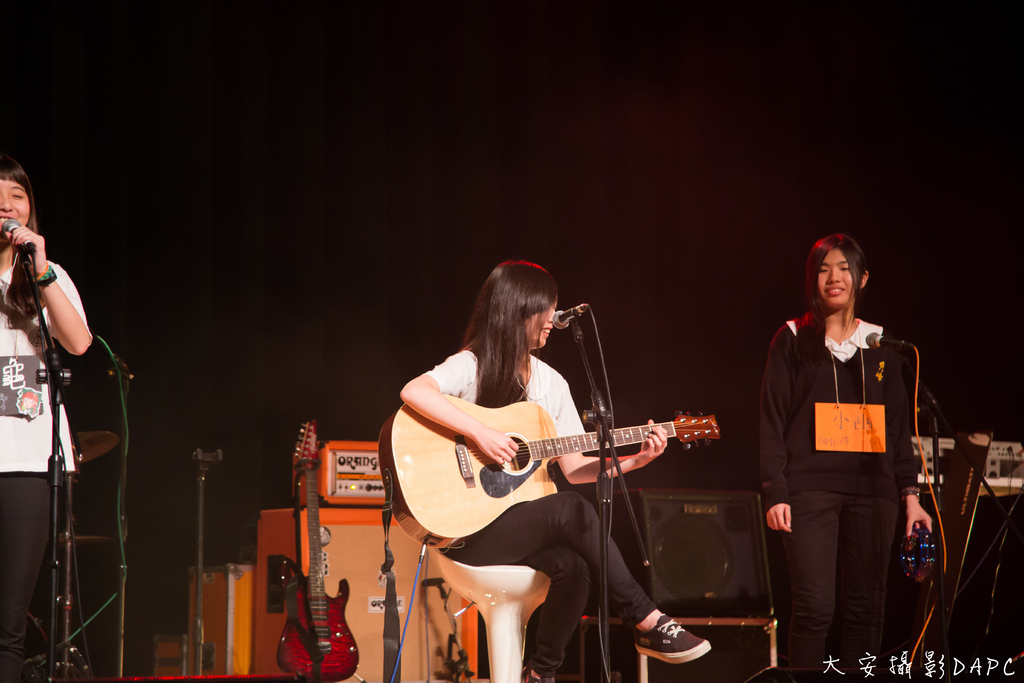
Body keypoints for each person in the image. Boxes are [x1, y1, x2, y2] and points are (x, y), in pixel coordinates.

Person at [400, 260, 710, 683]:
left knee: (575, 566)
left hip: (515, 529)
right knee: (574, 511)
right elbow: (413, 390)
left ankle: (541, 673)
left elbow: (576, 467)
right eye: (546, 309)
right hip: (466, 532)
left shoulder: (552, 383)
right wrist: (480, 432)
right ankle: (646, 619)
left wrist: (636, 460)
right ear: (517, 309)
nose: (552, 320)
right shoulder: (473, 364)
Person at [759, 234, 931, 669]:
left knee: (867, 610)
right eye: (823, 269)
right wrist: (775, 490)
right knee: (816, 606)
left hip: (874, 492)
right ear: (811, 280)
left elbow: (897, 431)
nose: (833, 278)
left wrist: (911, 499)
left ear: (862, 278)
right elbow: (772, 420)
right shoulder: (793, 338)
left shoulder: (881, 345)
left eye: (843, 268)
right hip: (808, 492)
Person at [0, 153, 92, 683]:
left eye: (18, 196)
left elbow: (78, 342)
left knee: (9, 625)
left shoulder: (45, 278)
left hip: (28, 467)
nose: (9, 207)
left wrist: (42, 269)